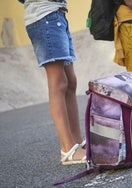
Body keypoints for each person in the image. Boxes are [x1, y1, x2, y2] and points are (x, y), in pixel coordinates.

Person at [23, 0, 86, 165]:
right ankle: (68, 148)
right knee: (58, 82)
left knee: (71, 82)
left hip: (57, 14)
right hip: (44, 17)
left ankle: (77, 141)